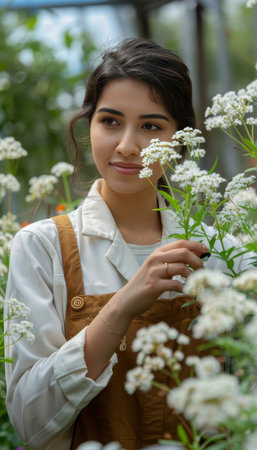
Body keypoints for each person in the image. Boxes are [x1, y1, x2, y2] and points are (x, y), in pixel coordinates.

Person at [4, 38, 252, 450]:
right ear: (88, 125)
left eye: (151, 126)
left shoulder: (226, 255)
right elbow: (30, 423)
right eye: (111, 121)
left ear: (180, 139)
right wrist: (123, 304)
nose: (127, 145)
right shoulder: (42, 246)